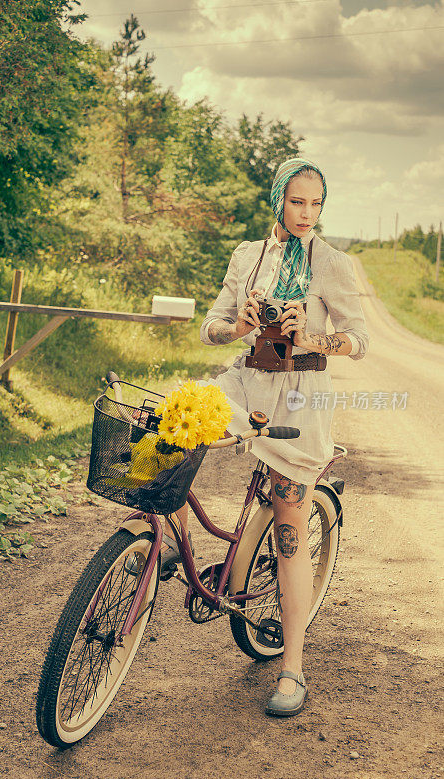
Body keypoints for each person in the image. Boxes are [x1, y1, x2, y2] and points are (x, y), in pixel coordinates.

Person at [160, 156, 369, 717]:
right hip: (247, 380)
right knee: (170, 425)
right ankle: (166, 540)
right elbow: (211, 327)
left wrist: (318, 337)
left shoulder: (332, 263)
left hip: (302, 396)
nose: (306, 214)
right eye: (297, 202)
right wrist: (238, 326)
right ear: (278, 199)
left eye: (316, 204)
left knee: (288, 525)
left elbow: (359, 341)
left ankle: (293, 669)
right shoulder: (247, 256)